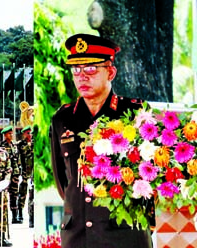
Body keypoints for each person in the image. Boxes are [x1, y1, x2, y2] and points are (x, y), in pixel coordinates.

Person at [50, 34, 149, 248]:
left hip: (124, 234)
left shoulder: (135, 112)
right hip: (77, 236)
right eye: (76, 70)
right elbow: (63, 181)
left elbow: (151, 174)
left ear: (111, 72)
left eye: (91, 69)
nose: (82, 77)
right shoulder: (62, 119)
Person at [0, 127, 22, 224]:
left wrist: (19, 170)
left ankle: (14, 216)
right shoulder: (2, 147)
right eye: (9, 134)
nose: (11, 135)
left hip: (15, 174)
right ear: (5, 135)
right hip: (6, 175)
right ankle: (1, 217)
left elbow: (18, 159)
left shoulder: (14, 145)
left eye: (11, 133)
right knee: (3, 196)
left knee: (14, 195)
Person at [16, 126, 34, 228]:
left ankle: (31, 218)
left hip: (33, 173)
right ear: (23, 134)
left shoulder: (35, 143)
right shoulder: (20, 145)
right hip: (24, 173)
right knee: (22, 194)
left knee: (32, 195)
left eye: (30, 132)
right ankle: (20, 213)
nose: (29, 134)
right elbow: (18, 158)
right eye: (27, 133)